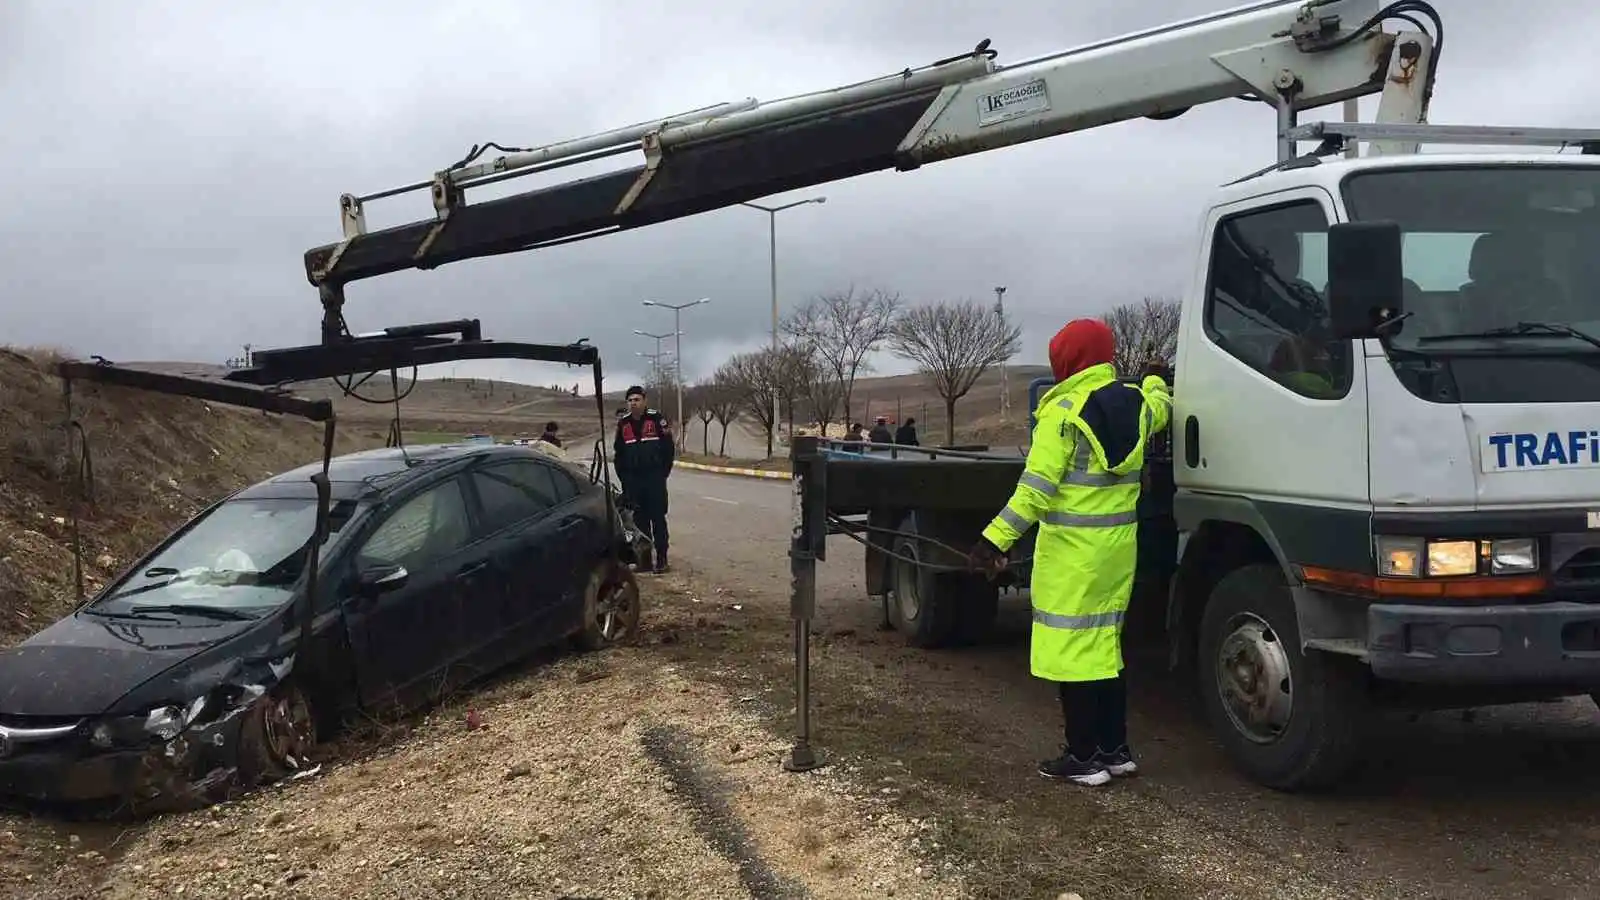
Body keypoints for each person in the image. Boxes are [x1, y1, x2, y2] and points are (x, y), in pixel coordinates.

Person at [967, 318, 1171, 787]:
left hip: (1072, 555)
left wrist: (994, 540)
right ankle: (1115, 751)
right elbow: (1161, 404)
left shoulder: (1061, 411)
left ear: (1067, 359)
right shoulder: (1136, 403)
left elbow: (1034, 491)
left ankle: (1083, 757)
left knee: (1073, 652)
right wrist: (1156, 375)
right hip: (1117, 551)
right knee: (1105, 648)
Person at [613, 385, 675, 573]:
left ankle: (662, 559)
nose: (634, 403)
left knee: (657, 518)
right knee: (639, 521)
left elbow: (668, 449)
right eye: (630, 400)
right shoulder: (623, 424)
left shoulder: (656, 419)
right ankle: (645, 561)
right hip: (633, 481)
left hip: (654, 478)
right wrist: (624, 479)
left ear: (644, 401)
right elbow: (619, 454)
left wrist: (662, 473)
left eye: (637, 399)